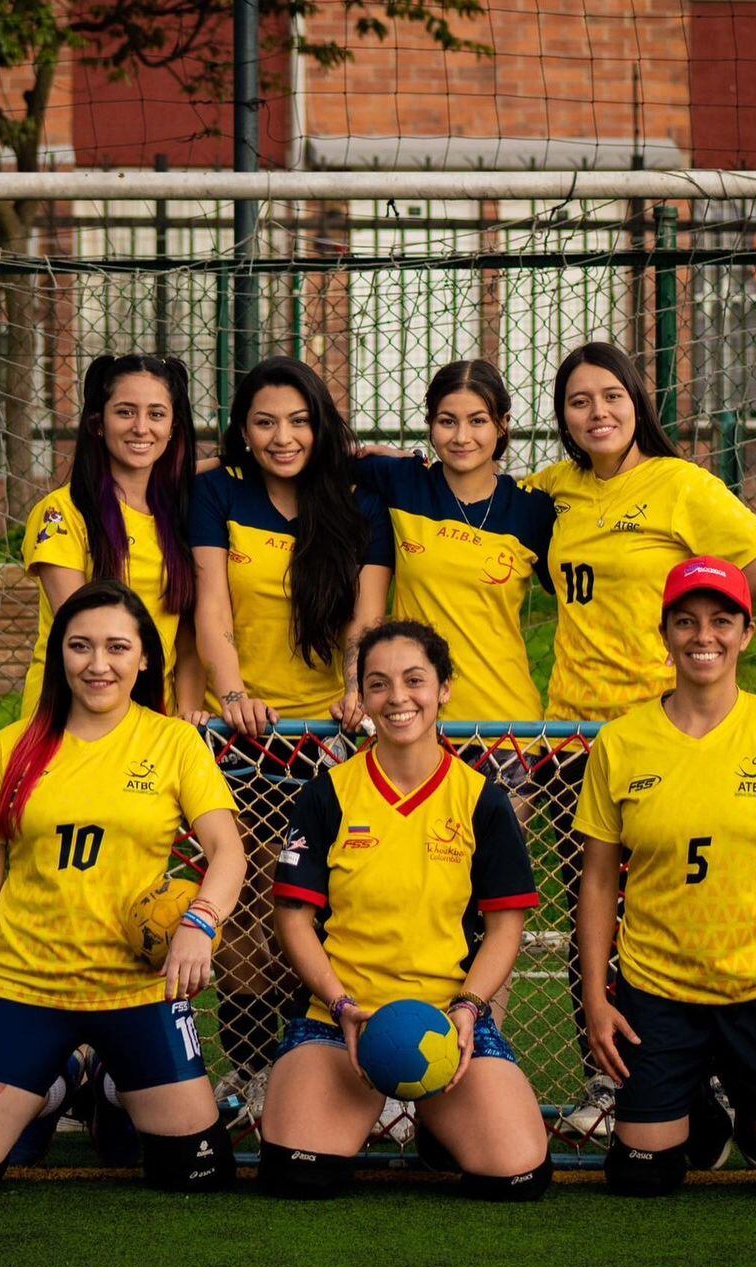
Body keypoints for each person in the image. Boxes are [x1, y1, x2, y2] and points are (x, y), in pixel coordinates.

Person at [522, 342, 756, 1143]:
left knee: (674, 909)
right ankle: (608, 1082)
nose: (597, 412)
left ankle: (715, 1073)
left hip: (666, 731)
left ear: (638, 401)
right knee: (592, 918)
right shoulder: (555, 491)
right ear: (563, 417)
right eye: (578, 401)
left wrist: (701, 636)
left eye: (611, 396)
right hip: (576, 736)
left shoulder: (680, 486)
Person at [0, 580, 245, 1193]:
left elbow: (228, 852)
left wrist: (199, 924)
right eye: (81, 647)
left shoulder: (173, 741)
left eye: (118, 647)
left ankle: (112, 1088)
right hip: (26, 985)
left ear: (145, 657)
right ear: (59, 655)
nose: (99, 665)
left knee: (196, 1175)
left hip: (137, 990)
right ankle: (63, 1075)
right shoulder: (11, 748)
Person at [575, 557, 756, 1196]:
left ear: (746, 633)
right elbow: (596, 882)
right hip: (659, 992)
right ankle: (695, 1102)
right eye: (687, 622)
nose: (705, 636)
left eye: (722, 621)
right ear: (665, 634)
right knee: (643, 1178)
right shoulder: (620, 743)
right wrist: (595, 997)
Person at [259, 619, 552, 1201]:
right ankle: (357, 1109)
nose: (398, 698)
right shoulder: (329, 794)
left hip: (447, 1021)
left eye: (415, 680)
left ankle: (440, 1127)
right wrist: (340, 1002)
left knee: (515, 1179)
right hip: (341, 1018)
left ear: (443, 687)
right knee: (299, 1176)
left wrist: (469, 1009)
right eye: (378, 684)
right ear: (362, 697)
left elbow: (504, 929)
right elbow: (292, 920)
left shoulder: (481, 800)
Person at [189, 355, 393, 1111]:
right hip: (242, 733)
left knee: (325, 902)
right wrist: (233, 692)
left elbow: (365, 613)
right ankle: (247, 1065)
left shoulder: (355, 500)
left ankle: (328, 1058)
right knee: (246, 903)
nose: (283, 437)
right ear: (242, 430)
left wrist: (352, 688)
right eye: (265, 421)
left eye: (300, 420)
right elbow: (210, 603)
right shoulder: (217, 494)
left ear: (323, 425)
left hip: (327, 737)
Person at [353, 359, 556, 728]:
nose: (462, 437)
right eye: (448, 421)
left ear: (502, 424)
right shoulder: (402, 484)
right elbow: (308, 461)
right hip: (415, 721)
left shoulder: (532, 510)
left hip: (506, 727)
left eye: (478, 421)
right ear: (431, 426)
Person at [21, 354, 203, 718]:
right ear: (99, 424)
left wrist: (187, 713)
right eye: (124, 412)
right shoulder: (63, 512)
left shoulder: (181, 515)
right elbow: (84, 635)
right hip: (73, 714)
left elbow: (186, 637)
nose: (141, 428)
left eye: (156, 414)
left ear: (173, 427)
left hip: (154, 719)